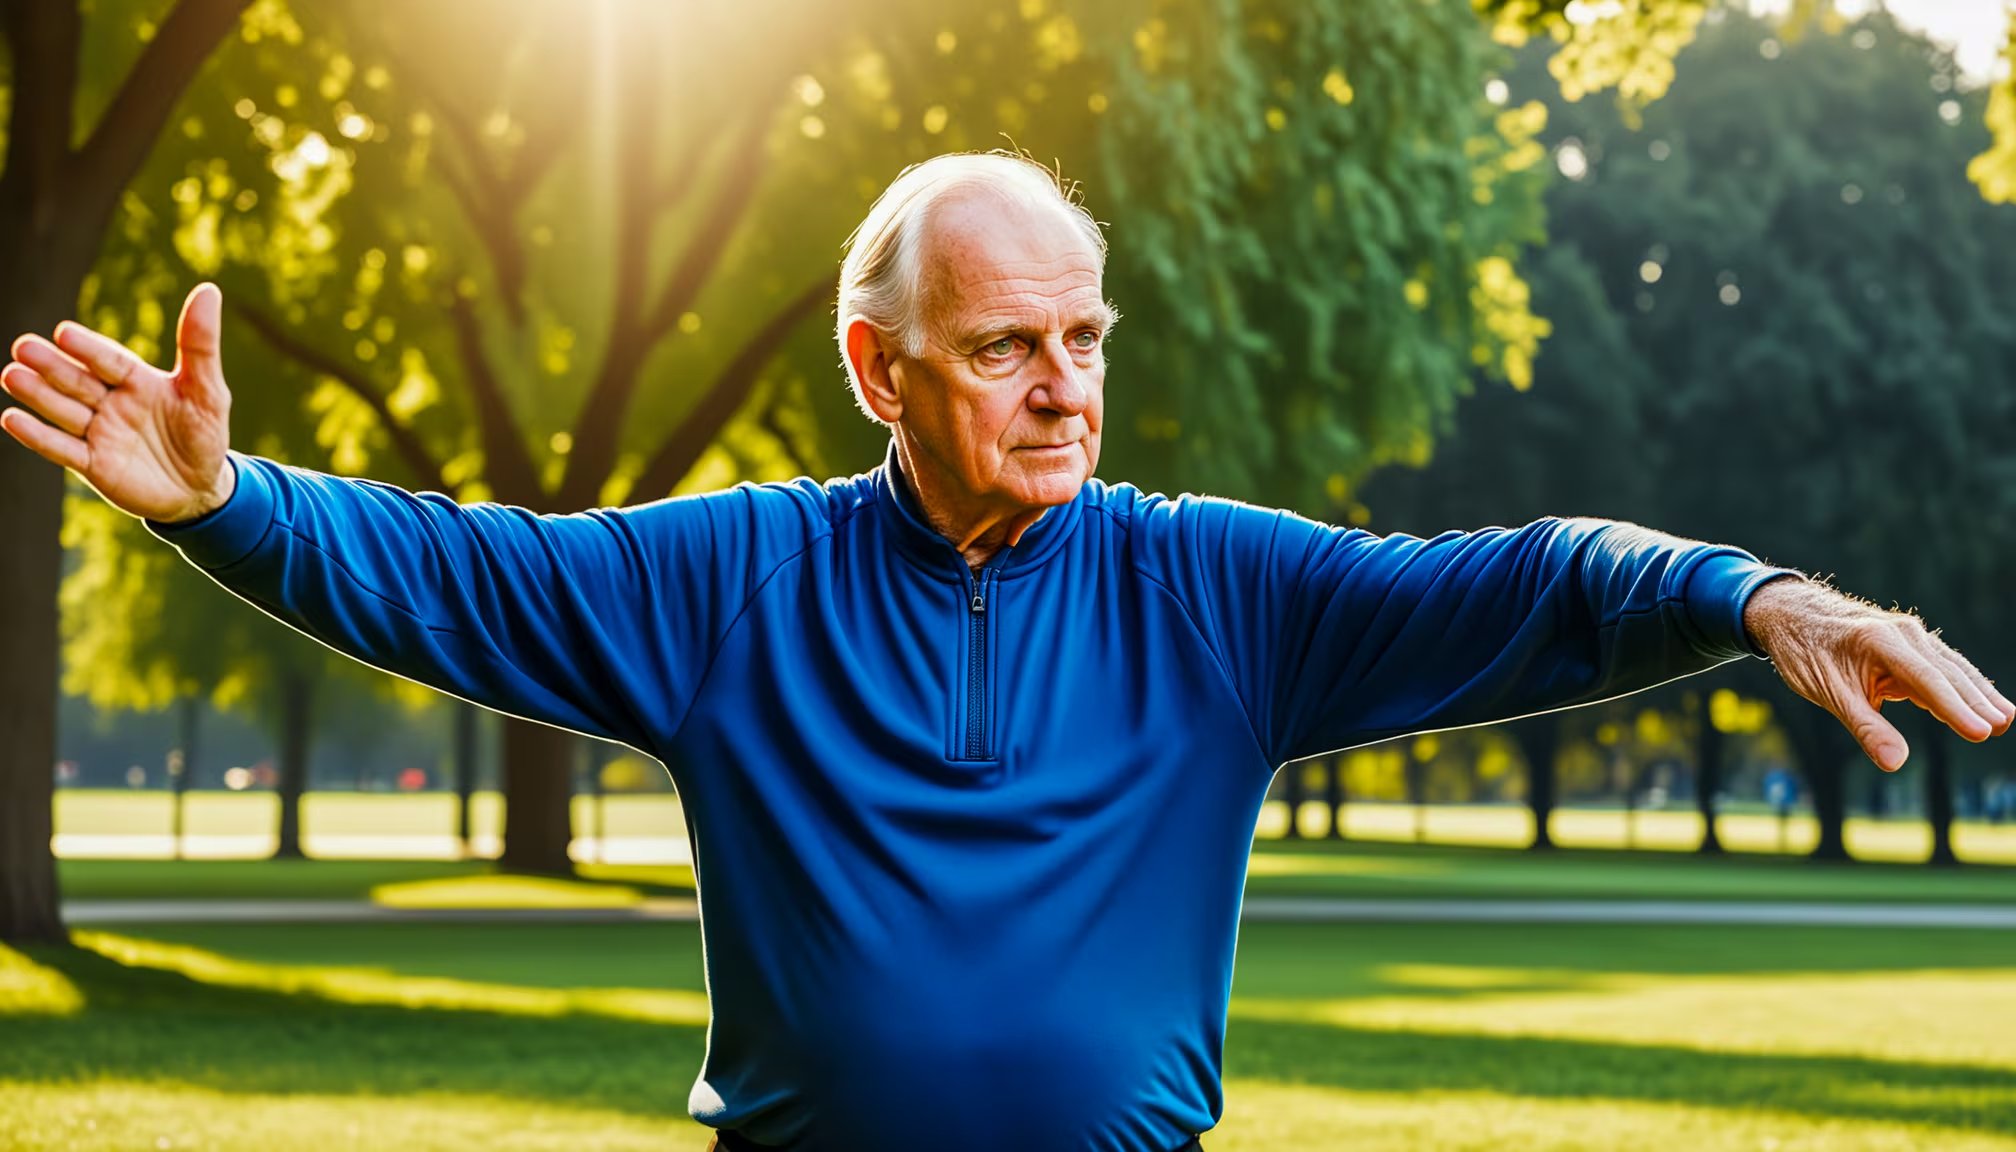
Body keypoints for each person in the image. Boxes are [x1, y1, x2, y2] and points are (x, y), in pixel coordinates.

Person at [4, 150, 2009, 1152]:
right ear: (881, 369)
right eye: (1005, 348)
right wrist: (228, 506)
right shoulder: (733, 585)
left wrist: (1759, 597)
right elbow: (457, 568)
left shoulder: (1220, 594)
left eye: (1087, 341)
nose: (1065, 388)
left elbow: (1533, 577)